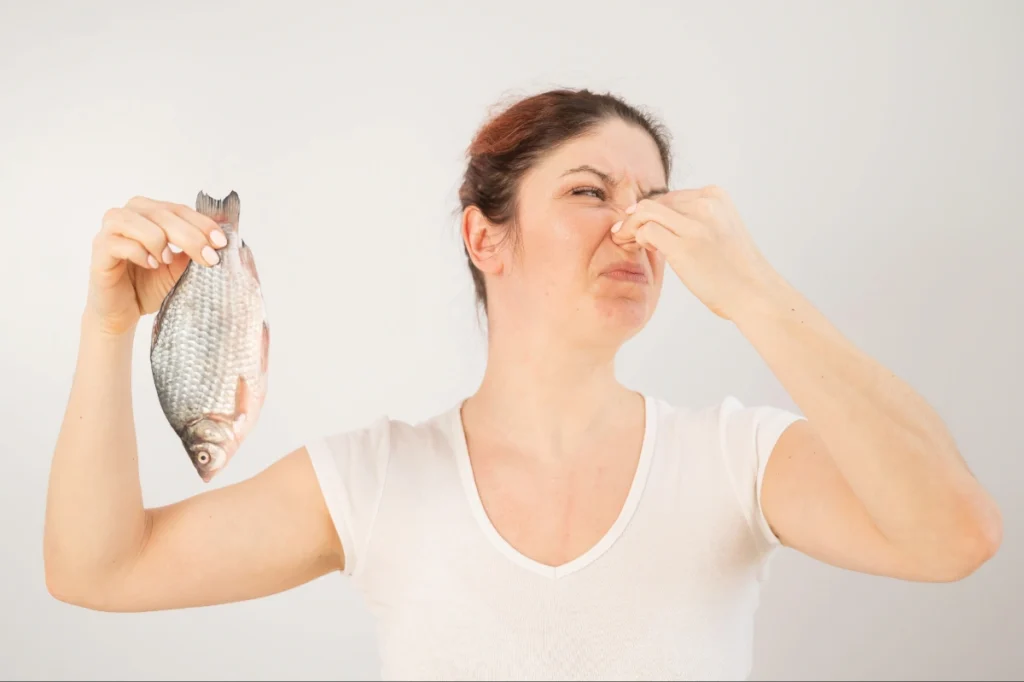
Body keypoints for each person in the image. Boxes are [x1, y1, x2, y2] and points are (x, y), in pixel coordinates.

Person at [43, 88, 1002, 680]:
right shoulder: (378, 479)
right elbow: (97, 570)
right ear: (482, 235)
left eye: (656, 203)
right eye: (591, 192)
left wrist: (754, 292)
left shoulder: (734, 459)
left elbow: (957, 535)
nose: (636, 229)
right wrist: (108, 325)